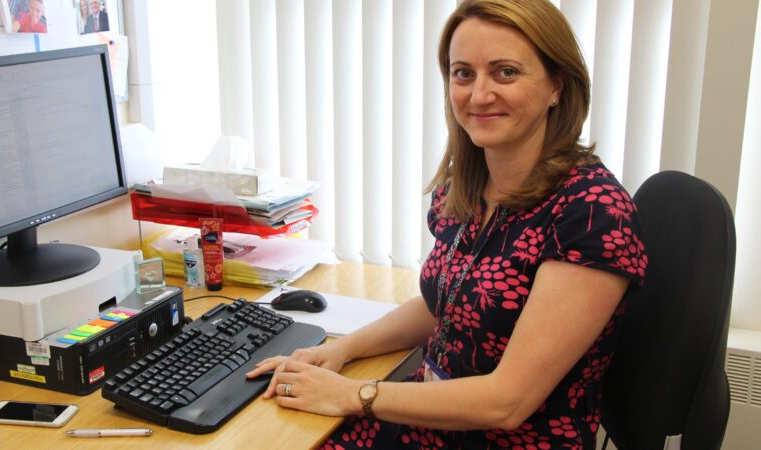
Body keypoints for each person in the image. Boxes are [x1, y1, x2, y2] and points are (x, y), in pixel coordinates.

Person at [245, 0, 648, 448]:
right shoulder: (469, 184)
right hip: (432, 419)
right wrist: (342, 348)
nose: (478, 95)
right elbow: (444, 303)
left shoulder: (590, 213)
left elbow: (507, 402)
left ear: (557, 84)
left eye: (506, 72)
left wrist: (353, 394)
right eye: (463, 73)